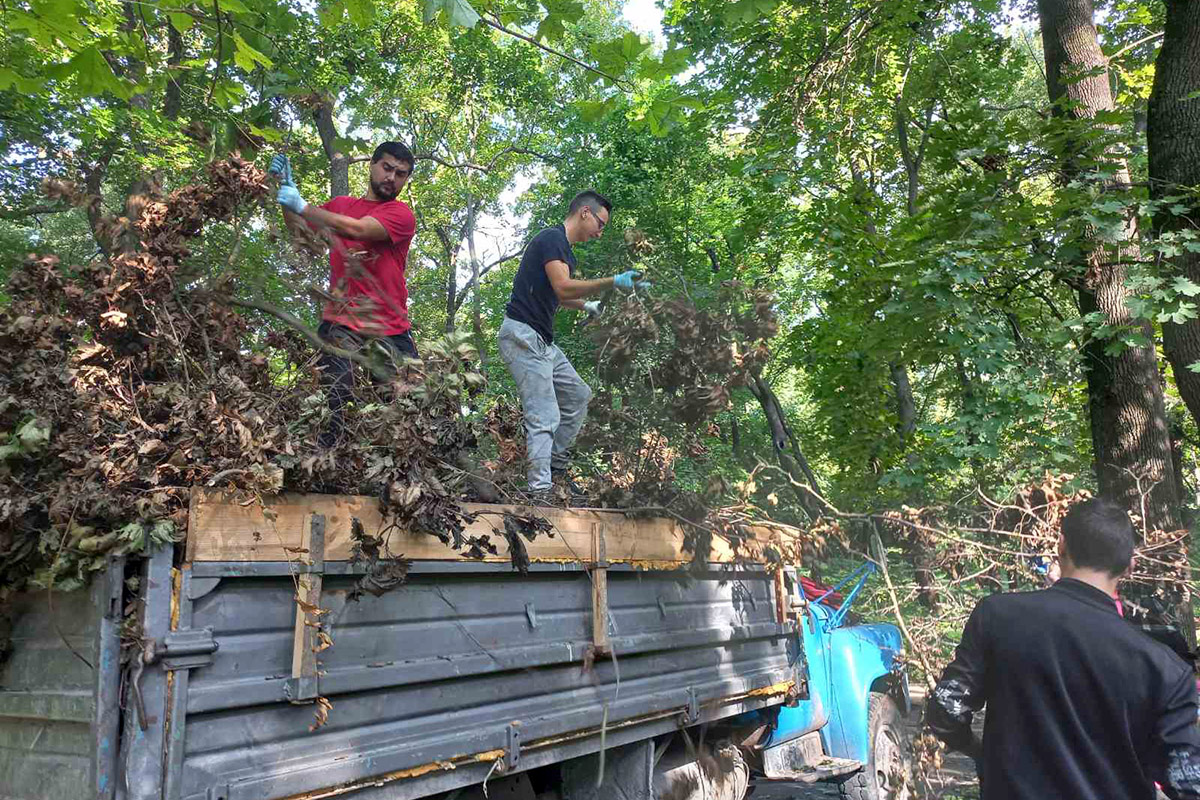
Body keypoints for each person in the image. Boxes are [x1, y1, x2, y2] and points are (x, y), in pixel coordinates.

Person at [927, 497, 1200, 800]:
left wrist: (982, 755)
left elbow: (946, 710)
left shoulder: (998, 616)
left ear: (1061, 546)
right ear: (1130, 565)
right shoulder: (1164, 669)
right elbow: (1188, 783)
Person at [498, 191, 648, 501]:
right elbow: (563, 286)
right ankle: (540, 492)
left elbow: (560, 295)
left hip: (542, 342)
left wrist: (588, 306)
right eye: (600, 224)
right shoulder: (552, 238)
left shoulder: (566, 251)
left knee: (579, 395)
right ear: (584, 212)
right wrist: (613, 281)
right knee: (544, 414)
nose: (600, 232)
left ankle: (555, 470)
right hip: (522, 335)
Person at [268, 143, 418, 446]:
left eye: (400, 174)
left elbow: (359, 230)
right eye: (387, 168)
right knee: (334, 402)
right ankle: (326, 460)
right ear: (372, 165)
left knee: (411, 408)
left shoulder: (400, 214)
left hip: (390, 329)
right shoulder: (340, 205)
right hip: (342, 322)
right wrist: (286, 197)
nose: (392, 178)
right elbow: (301, 235)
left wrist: (303, 206)